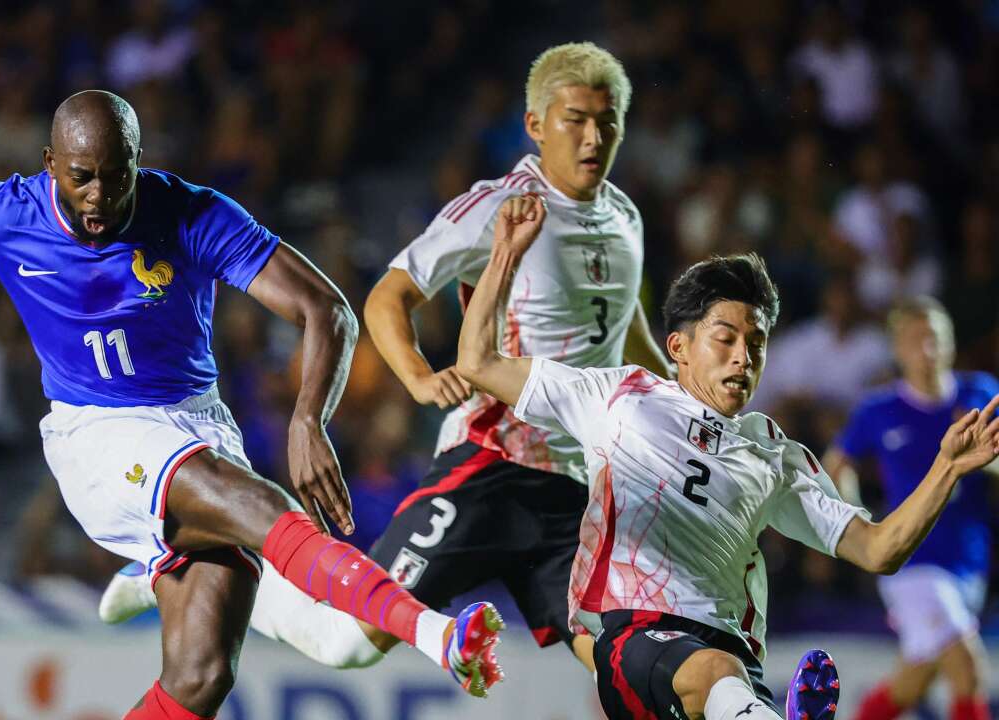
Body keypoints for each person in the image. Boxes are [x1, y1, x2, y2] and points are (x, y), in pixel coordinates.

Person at [0, 90, 506, 717]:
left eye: (117, 175)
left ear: (139, 160)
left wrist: (305, 418)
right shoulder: (3, 215)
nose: (101, 195)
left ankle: (155, 565)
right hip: (96, 438)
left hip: (195, 420)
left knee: (201, 678)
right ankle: (442, 638)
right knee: (263, 507)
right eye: (81, 177)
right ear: (49, 164)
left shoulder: (188, 213)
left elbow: (324, 308)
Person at [99, 40, 670, 673]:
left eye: (607, 120)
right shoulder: (497, 208)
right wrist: (420, 378)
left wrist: (684, 411)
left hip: (576, 490)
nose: (594, 137)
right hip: (491, 466)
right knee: (347, 645)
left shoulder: (625, 218)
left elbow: (627, 334)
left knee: (627, 670)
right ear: (536, 126)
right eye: (577, 120)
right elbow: (386, 298)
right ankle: (173, 568)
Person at [454, 193, 999, 720]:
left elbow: (879, 549)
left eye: (757, 343)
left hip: (734, 667)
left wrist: (946, 468)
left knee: (726, 680)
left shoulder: (774, 456)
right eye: (726, 338)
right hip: (636, 640)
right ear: (679, 347)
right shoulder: (620, 398)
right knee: (717, 675)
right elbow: (478, 361)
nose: (744, 357)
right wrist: (504, 252)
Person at [826, 297, 999, 720]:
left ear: (951, 344)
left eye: (935, 339)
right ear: (897, 350)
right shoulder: (879, 409)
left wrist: (985, 457)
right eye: (915, 340)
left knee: (913, 680)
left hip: (970, 561)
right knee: (968, 668)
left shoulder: (981, 394)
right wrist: (859, 518)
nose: (927, 350)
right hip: (911, 563)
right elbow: (838, 462)